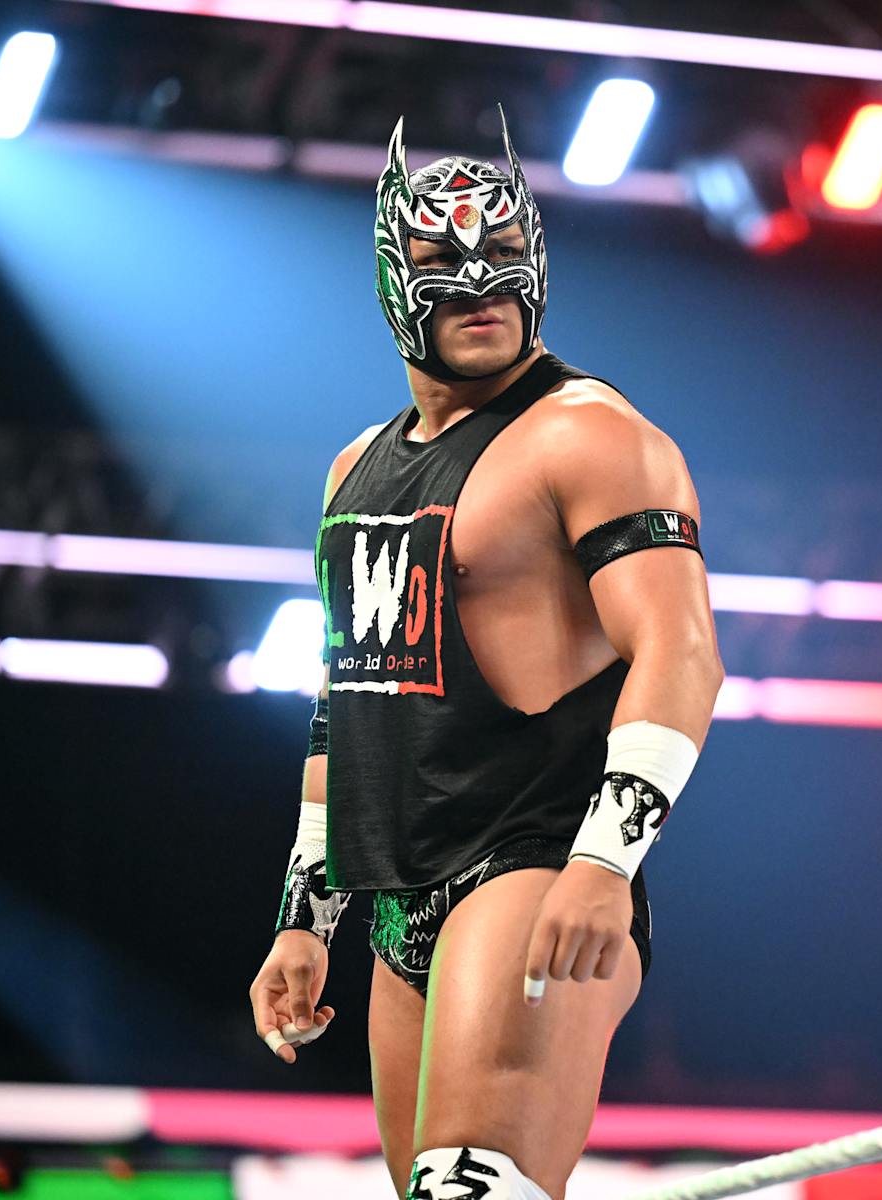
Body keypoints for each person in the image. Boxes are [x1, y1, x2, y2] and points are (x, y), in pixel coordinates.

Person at [247, 107, 725, 1200]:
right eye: (445, 267)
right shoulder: (352, 470)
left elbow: (682, 654)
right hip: (397, 892)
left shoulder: (589, 436)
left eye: (502, 261)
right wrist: (305, 919)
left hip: (530, 859)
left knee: (478, 1188)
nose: (478, 288)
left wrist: (605, 862)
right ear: (391, 280)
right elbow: (347, 704)